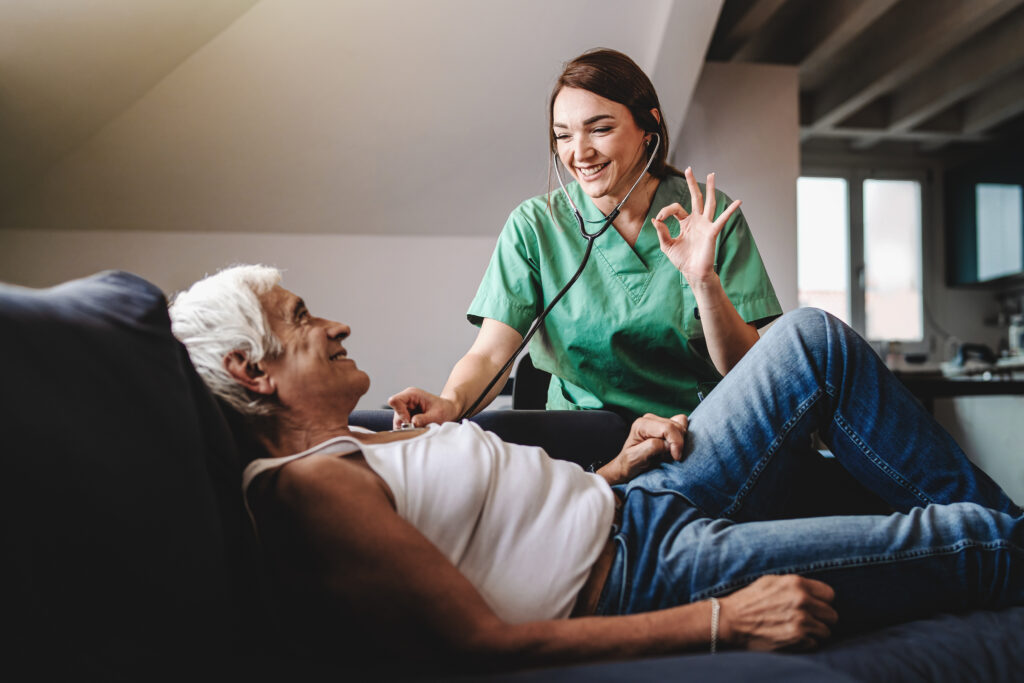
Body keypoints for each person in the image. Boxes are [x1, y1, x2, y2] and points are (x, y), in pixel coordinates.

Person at [168, 264, 1022, 674]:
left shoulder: (359, 439)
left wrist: (616, 464)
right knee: (969, 540)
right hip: (641, 574)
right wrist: (722, 619)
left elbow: (503, 522)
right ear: (254, 369)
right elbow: (479, 642)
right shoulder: (311, 490)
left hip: (643, 496)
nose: (335, 324)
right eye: (303, 316)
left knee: (810, 340)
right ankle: (1003, 549)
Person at [389, 48, 782, 428]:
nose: (580, 153)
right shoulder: (535, 226)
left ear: (649, 127)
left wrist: (704, 281)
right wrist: (451, 402)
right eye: (563, 136)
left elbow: (745, 371)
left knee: (812, 335)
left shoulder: (707, 218)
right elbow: (490, 355)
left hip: (697, 433)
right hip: (586, 440)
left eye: (600, 129)